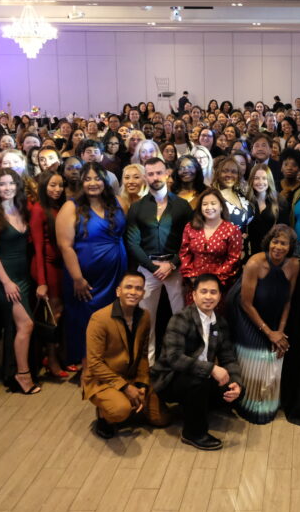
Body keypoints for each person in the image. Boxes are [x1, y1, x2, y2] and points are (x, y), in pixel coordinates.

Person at [151, 273, 244, 451]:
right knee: (199, 382)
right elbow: (174, 358)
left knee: (232, 391)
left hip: (199, 373)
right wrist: (211, 369)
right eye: (203, 292)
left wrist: (236, 382)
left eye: (213, 292)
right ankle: (193, 433)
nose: (208, 296)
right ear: (193, 295)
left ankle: (195, 406)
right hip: (169, 379)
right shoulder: (181, 318)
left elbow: (228, 357)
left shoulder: (220, 322)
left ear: (219, 296)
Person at [82, 272, 171, 439]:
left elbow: (143, 356)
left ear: (143, 293)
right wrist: (126, 387)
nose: (133, 292)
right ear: (118, 291)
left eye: (138, 289)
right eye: (128, 287)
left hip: (131, 376)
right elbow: (94, 364)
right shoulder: (99, 319)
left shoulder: (144, 316)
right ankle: (104, 415)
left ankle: (131, 402)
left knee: (162, 419)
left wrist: (142, 384)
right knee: (120, 410)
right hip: (103, 379)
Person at [57, 162, 128, 369]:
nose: (93, 183)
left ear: (105, 181)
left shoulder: (118, 202)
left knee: (114, 317)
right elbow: (65, 246)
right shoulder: (71, 207)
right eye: (87, 179)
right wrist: (78, 279)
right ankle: (89, 368)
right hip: (85, 278)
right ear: (81, 182)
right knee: (85, 320)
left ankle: (110, 364)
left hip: (116, 273)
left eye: (97, 178)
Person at [124, 157, 192, 363]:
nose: (155, 177)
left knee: (181, 317)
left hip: (175, 268)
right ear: (146, 177)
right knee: (146, 319)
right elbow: (132, 242)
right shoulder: (137, 208)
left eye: (159, 172)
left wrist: (172, 264)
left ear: (167, 173)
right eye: (151, 174)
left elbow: (189, 241)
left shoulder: (182, 206)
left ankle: (182, 361)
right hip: (148, 268)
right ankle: (148, 365)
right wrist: (152, 266)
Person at [229, 224, 299, 424]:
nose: (278, 246)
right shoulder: (254, 263)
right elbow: (245, 303)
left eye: (283, 243)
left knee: (278, 351)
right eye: (275, 241)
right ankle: (248, 404)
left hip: (275, 310)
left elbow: (288, 301)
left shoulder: (294, 265)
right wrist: (269, 333)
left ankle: (268, 403)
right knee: (257, 356)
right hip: (248, 311)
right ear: (268, 242)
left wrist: (280, 332)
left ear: (290, 247)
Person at [0, 168, 40, 395]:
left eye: (11, 184)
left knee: (21, 326)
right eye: (2, 184)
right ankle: (22, 374)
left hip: (23, 276)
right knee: (26, 325)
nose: (7, 188)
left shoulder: (21, 210)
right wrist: (6, 282)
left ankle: (19, 370)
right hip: (5, 279)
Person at [30, 169, 68, 378]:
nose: (57, 189)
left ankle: (59, 355)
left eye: (60, 185)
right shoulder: (39, 209)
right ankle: (51, 360)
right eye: (52, 185)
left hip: (61, 265)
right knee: (54, 315)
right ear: (44, 186)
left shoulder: (60, 206)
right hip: (46, 266)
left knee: (61, 313)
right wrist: (42, 282)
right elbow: (38, 247)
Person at [179, 189, 244, 290]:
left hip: (221, 283)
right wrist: (191, 277)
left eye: (213, 203)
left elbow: (233, 259)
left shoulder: (232, 230)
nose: (209, 207)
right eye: (205, 204)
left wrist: (215, 280)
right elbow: (185, 254)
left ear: (221, 206)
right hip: (195, 281)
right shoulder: (190, 227)